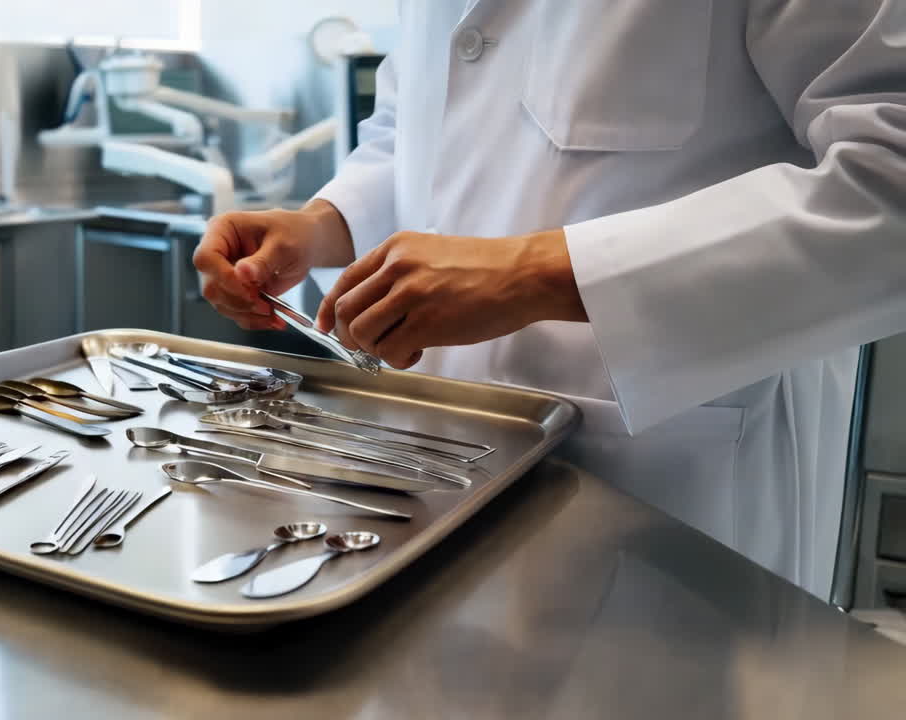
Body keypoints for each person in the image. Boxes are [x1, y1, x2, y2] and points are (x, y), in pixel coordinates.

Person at [194, 0, 906, 599]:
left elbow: (888, 184)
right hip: (433, 469)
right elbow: (418, 125)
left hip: (674, 493)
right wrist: (324, 226)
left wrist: (539, 274)